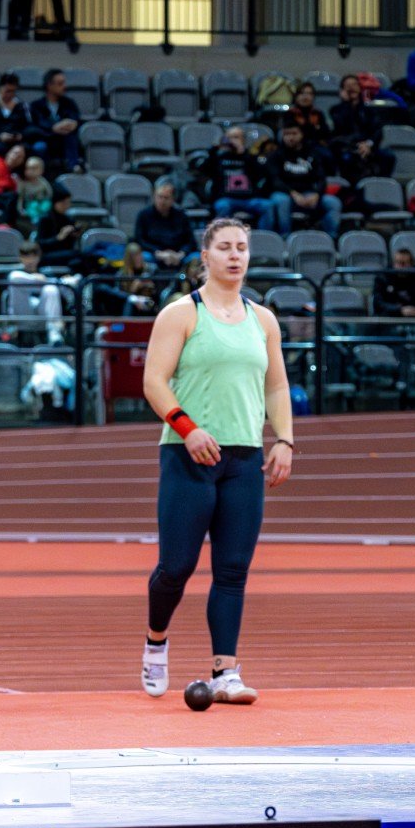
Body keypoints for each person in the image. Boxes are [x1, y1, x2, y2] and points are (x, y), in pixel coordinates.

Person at [140, 217, 296, 703]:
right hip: (189, 454)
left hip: (244, 458)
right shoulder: (180, 314)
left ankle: (226, 671)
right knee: (176, 566)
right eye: (224, 247)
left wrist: (285, 440)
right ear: (204, 256)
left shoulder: (263, 320)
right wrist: (187, 429)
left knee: (233, 569)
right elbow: (154, 382)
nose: (235, 256)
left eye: (242, 248)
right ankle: (155, 641)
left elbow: (276, 384)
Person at [199, 126, 283, 234]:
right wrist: (214, 150)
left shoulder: (250, 157)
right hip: (227, 198)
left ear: (243, 140)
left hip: (249, 198)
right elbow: (203, 170)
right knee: (222, 206)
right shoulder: (219, 158)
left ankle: (264, 239)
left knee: (268, 206)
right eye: (229, 137)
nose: (232, 141)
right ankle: (224, 238)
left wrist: (243, 153)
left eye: (236, 137)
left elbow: (261, 174)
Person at [267, 122, 340, 237]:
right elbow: (274, 181)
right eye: (286, 134)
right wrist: (293, 194)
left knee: (333, 202)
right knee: (281, 200)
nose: (290, 137)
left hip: (309, 194)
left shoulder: (313, 154)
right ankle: (285, 237)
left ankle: (331, 238)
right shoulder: (276, 155)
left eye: (294, 134)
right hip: (285, 193)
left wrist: (317, 194)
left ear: (302, 135)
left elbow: (321, 179)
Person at [328, 74, 396, 183]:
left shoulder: (369, 110)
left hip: (367, 147)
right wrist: (346, 103)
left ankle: (381, 186)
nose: (351, 88)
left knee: (388, 156)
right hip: (347, 147)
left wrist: (368, 144)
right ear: (342, 90)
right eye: (348, 86)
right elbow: (341, 129)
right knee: (346, 159)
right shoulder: (336, 110)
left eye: (354, 84)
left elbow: (377, 131)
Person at [135, 178, 197, 269]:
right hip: (154, 254)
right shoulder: (143, 215)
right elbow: (140, 240)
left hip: (178, 254)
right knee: (144, 257)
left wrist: (180, 254)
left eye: (166, 198)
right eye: (159, 197)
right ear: (154, 197)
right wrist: (159, 253)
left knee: (196, 257)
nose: (162, 201)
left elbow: (191, 241)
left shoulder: (181, 215)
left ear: (173, 200)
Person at [29, 68, 82, 174]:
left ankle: (74, 167)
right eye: (60, 83)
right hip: (46, 138)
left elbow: (74, 119)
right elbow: (36, 125)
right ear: (49, 85)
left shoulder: (69, 103)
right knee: (39, 146)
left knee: (71, 137)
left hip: (64, 139)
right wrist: (53, 127)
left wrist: (72, 124)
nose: (64, 86)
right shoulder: (36, 105)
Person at [373, 246, 415, 317]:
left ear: (411, 264)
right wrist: (399, 310)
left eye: (404, 263)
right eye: (398, 263)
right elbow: (378, 303)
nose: (401, 267)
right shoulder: (383, 278)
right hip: (390, 319)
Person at [34, 186, 80, 267]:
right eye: (63, 203)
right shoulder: (45, 219)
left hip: (65, 254)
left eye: (68, 203)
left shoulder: (68, 219)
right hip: (47, 255)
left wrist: (74, 235)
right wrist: (58, 238)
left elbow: (69, 245)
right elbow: (40, 244)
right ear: (55, 203)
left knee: (77, 262)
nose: (67, 206)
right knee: (77, 255)